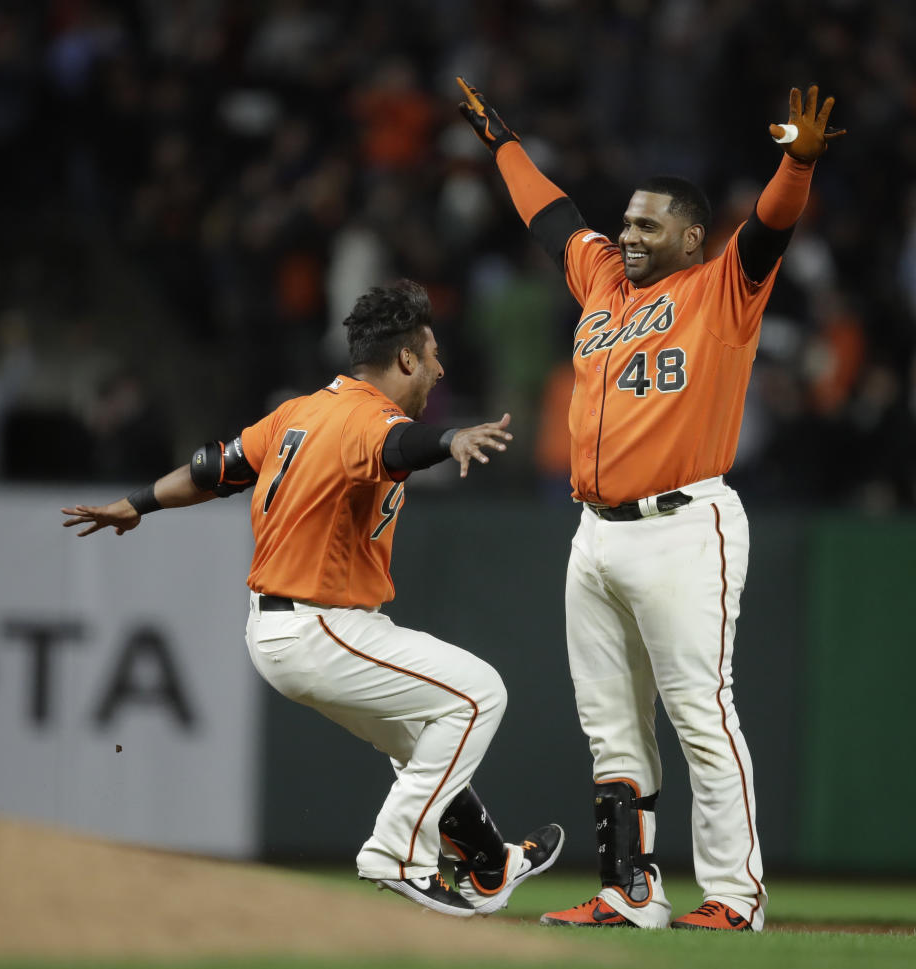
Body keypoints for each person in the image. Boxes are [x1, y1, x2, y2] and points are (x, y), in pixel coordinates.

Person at [457, 79, 843, 931]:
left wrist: (798, 162)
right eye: (626, 221)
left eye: (645, 223)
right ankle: (631, 892)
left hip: (683, 523)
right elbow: (552, 218)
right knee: (611, 725)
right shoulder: (603, 283)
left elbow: (772, 225)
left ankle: (735, 896)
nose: (626, 234)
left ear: (691, 237)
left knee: (702, 713)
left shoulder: (722, 291)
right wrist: (504, 147)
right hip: (594, 532)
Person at [62, 280, 564, 917]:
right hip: (320, 627)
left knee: (417, 740)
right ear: (405, 359)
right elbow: (395, 446)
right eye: (431, 352)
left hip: (285, 630)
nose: (439, 366)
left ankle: (489, 863)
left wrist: (136, 503)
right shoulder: (369, 416)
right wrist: (450, 439)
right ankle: (396, 854)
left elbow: (213, 468)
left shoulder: (299, 411)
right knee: (480, 692)